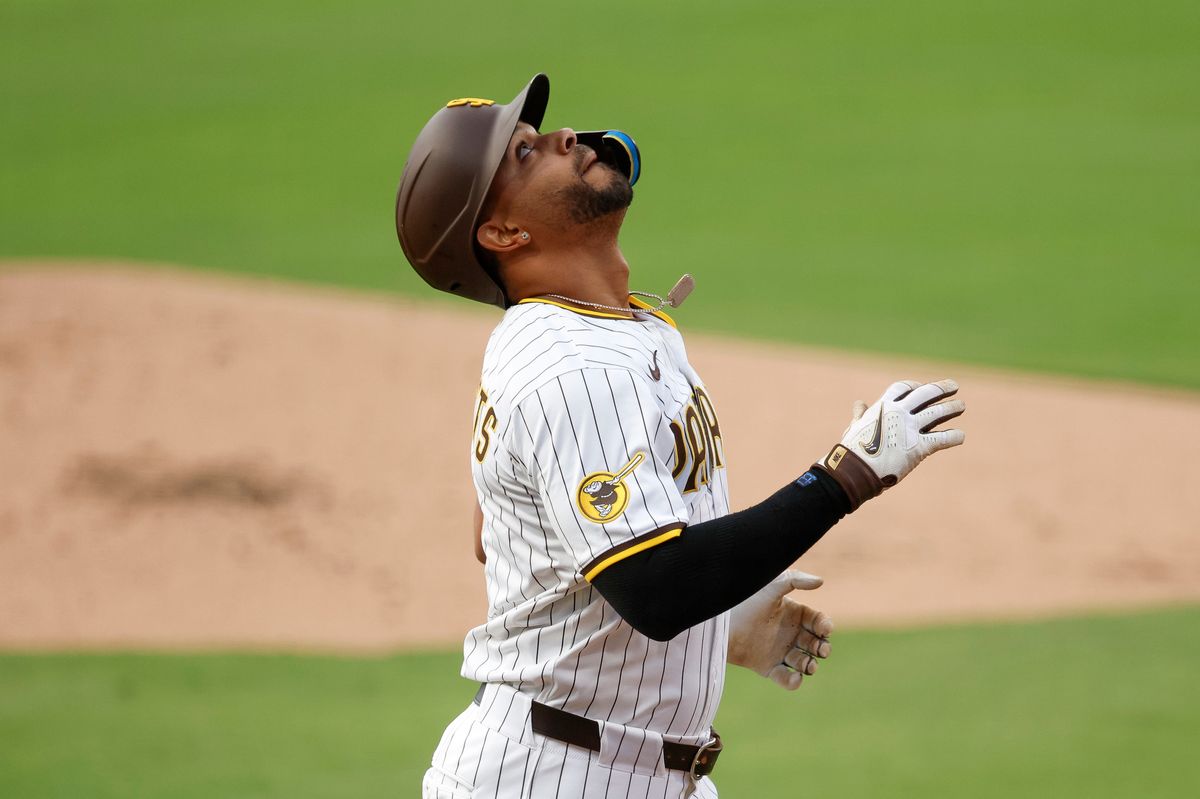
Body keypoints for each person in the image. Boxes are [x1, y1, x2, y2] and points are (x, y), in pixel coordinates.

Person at [395, 73, 966, 799]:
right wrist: (843, 477)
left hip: (629, 768)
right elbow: (654, 586)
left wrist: (714, 630)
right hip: (555, 776)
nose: (566, 137)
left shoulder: (615, 328)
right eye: (526, 153)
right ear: (504, 234)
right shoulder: (569, 364)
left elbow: (535, 551)